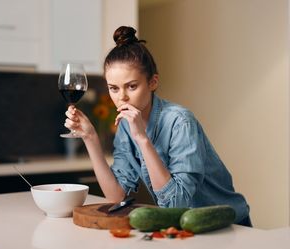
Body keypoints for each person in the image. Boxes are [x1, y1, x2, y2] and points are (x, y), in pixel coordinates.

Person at [64, 26, 251, 226]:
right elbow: (116, 198)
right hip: (185, 229)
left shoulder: (180, 122)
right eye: (114, 88)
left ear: (153, 82)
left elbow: (176, 204)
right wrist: (90, 138)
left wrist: (142, 139)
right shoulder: (126, 127)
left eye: (132, 86)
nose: (122, 97)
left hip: (228, 227)